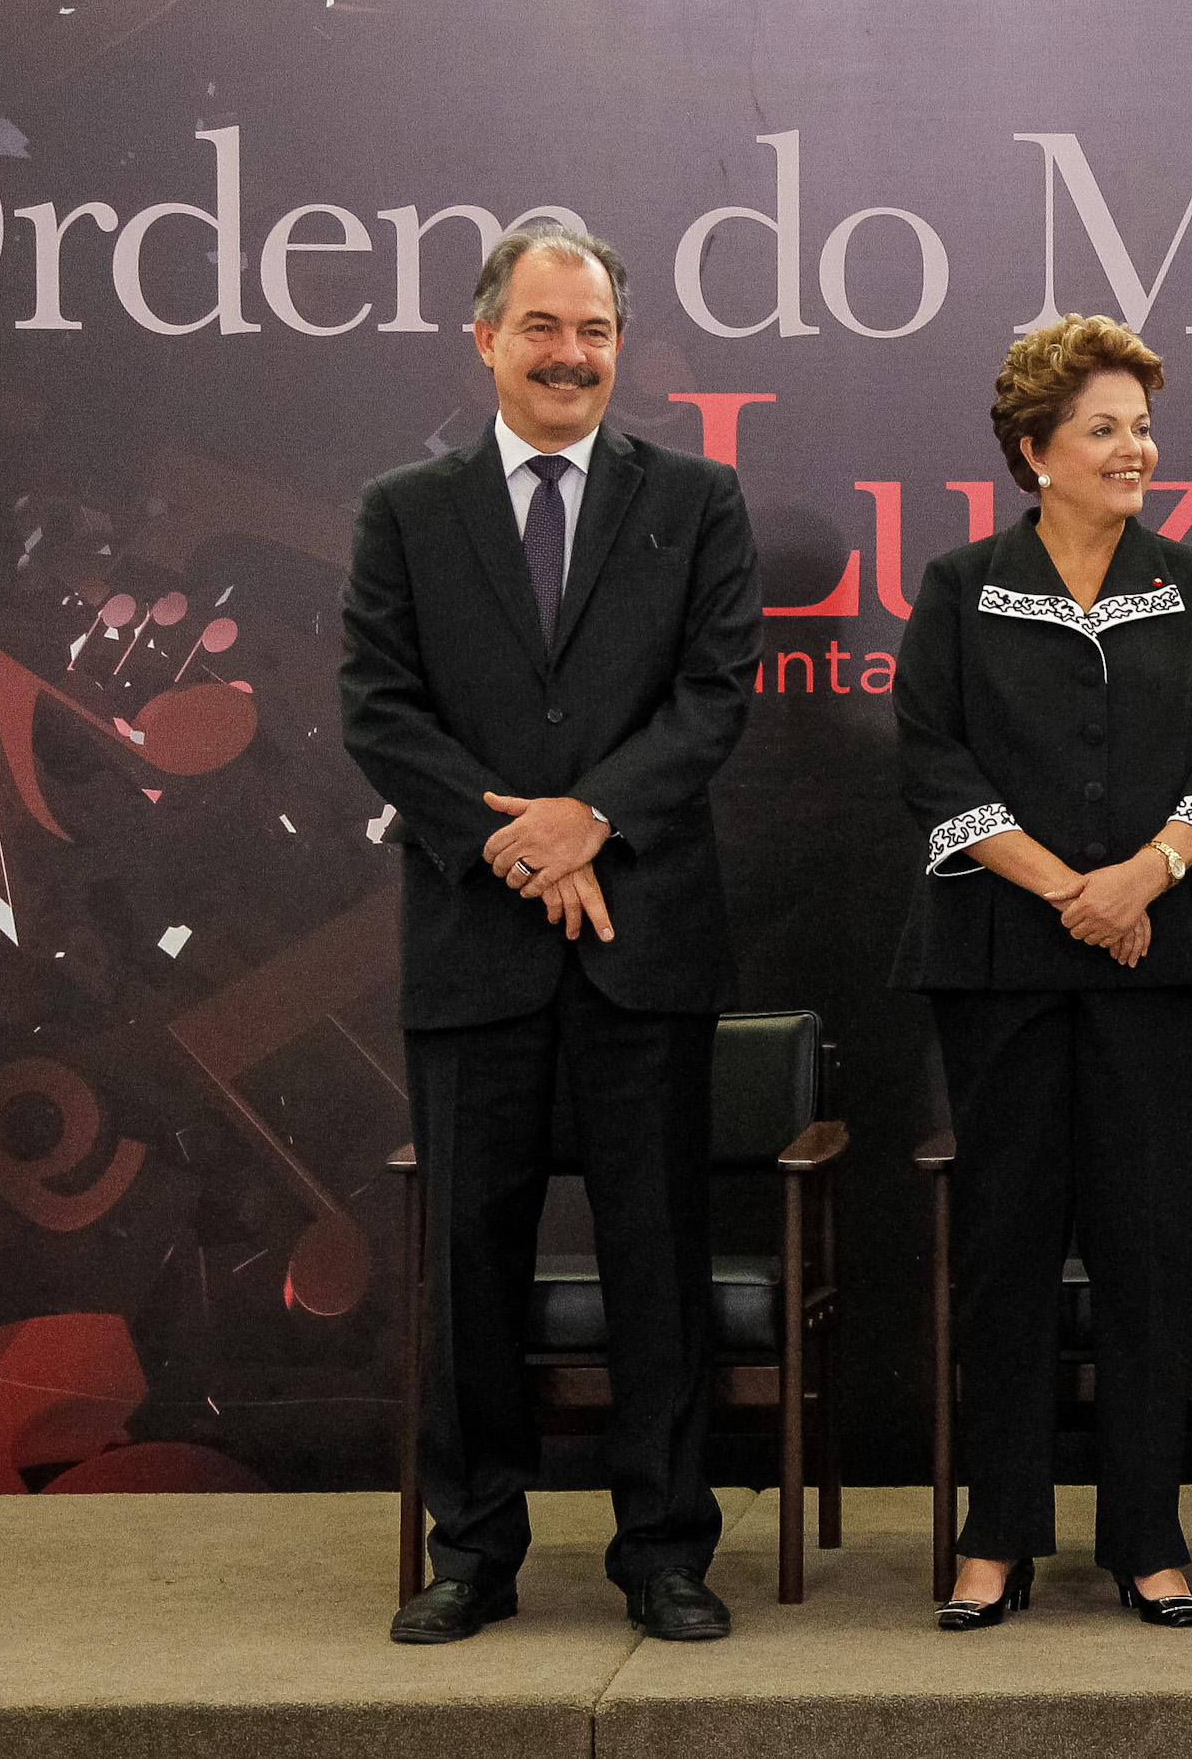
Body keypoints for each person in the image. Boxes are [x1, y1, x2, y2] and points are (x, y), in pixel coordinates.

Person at [341, 223, 761, 1646]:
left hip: (647, 937)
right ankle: (474, 1549)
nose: (570, 353)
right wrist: (511, 839)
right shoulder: (404, 509)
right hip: (474, 942)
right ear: (484, 338)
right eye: (541, 327)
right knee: (471, 1260)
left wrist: (589, 817)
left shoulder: (696, 500)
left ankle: (663, 1549)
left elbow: (712, 698)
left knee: (657, 1254)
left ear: (618, 345)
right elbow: (379, 709)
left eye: (592, 330)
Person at [894, 314, 1192, 1632]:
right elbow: (934, 762)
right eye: (1103, 427)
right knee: (1003, 1248)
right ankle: (996, 1533)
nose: (1135, 449)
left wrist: (1141, 879)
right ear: (1033, 448)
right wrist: (1067, 889)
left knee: (1146, 1248)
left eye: (1142, 426)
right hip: (1000, 962)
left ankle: (1146, 1536)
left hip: (1163, 964)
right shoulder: (958, 585)